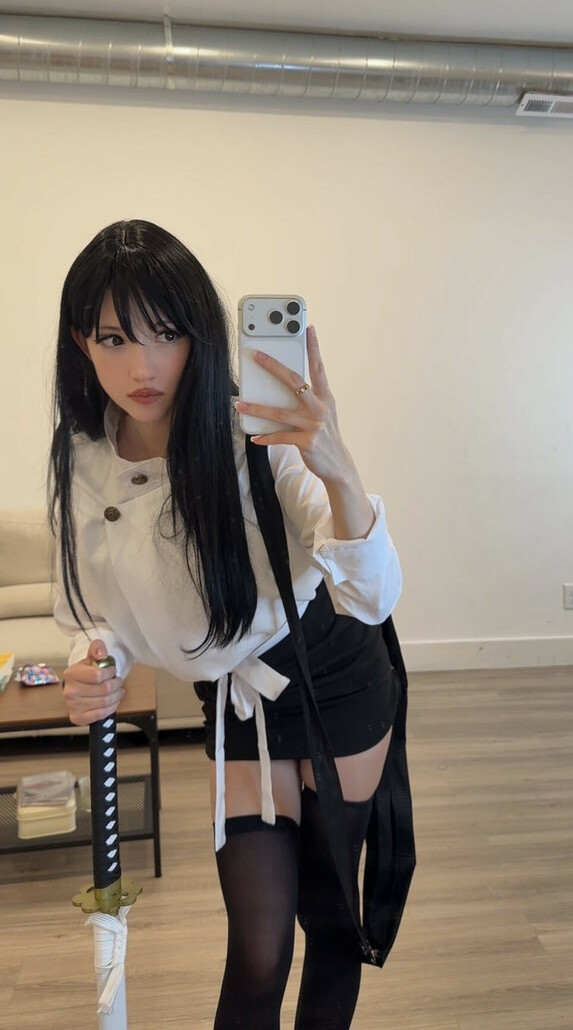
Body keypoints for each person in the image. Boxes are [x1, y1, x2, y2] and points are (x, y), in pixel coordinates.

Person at [51, 219, 405, 1030]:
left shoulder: (260, 434)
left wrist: (336, 464)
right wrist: (95, 663)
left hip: (334, 676)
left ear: (202, 335)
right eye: (114, 338)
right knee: (258, 948)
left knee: (331, 924)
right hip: (236, 701)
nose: (142, 367)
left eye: (166, 333)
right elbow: (99, 609)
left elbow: (372, 595)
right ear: (81, 343)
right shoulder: (82, 458)